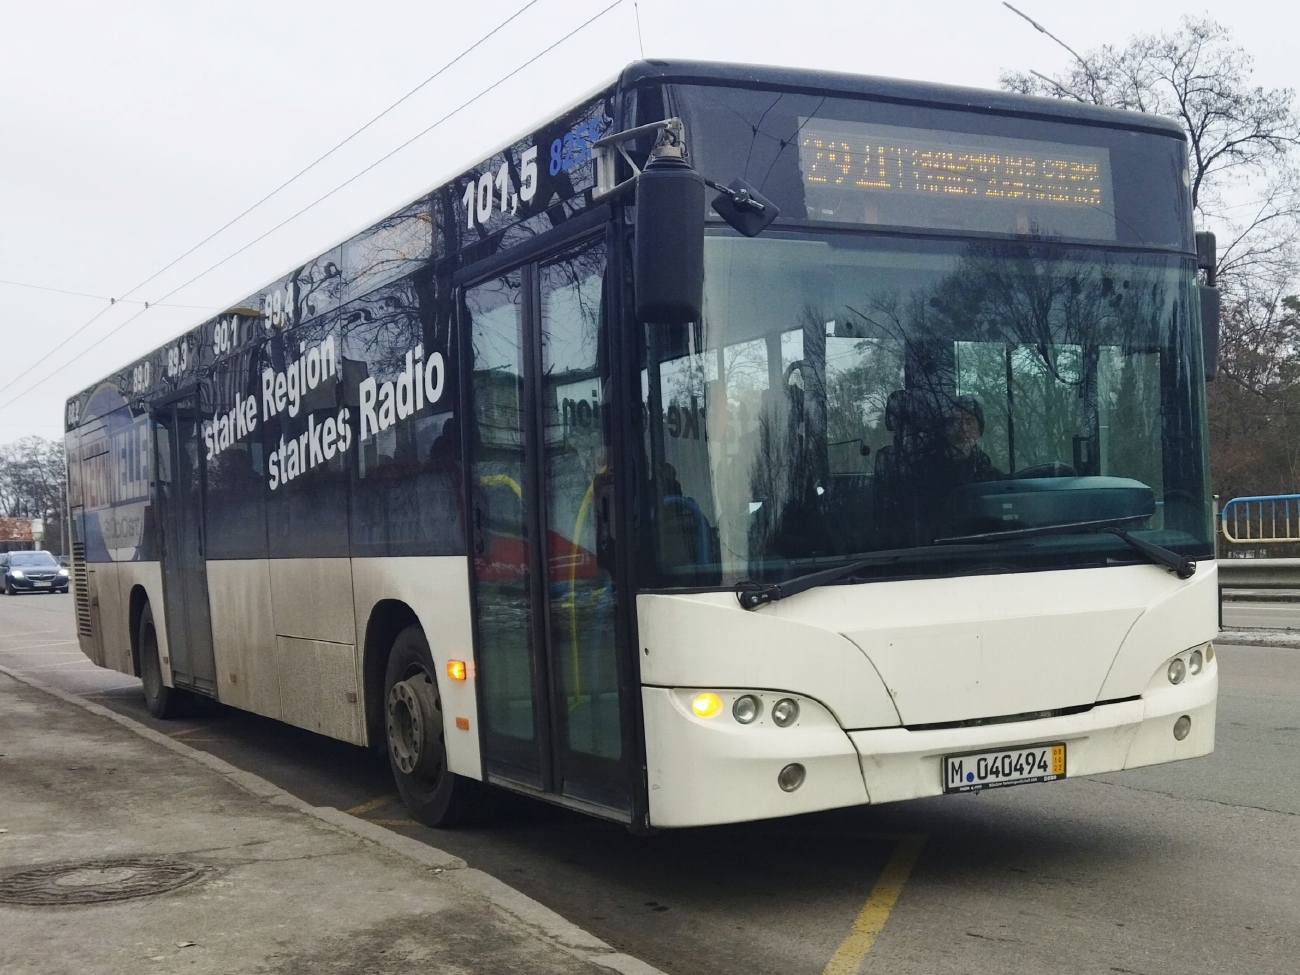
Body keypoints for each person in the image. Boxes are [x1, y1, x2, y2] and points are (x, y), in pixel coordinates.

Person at [942, 395, 1002, 485]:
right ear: (947, 428)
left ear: (979, 431)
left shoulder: (990, 474)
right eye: (957, 422)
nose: (963, 428)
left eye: (969, 422)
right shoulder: (927, 468)